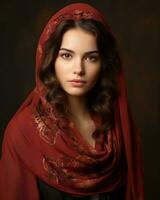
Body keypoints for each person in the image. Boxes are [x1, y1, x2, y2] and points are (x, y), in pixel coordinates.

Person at [0, 3, 144, 200]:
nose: (78, 69)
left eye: (91, 58)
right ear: (50, 59)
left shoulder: (117, 129)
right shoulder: (22, 134)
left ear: (103, 64)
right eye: (67, 56)